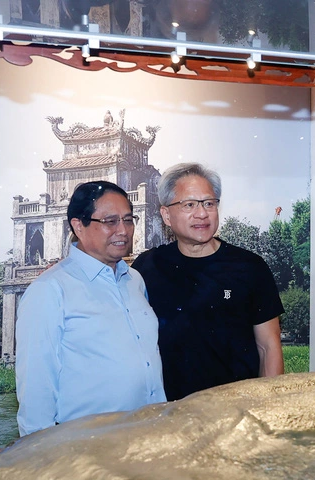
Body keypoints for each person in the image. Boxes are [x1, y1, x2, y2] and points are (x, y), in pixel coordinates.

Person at [15, 181, 165, 435]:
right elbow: (36, 388)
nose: (123, 231)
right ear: (78, 226)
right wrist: (41, 457)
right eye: (110, 221)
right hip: (87, 447)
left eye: (128, 220)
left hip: (149, 435)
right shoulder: (50, 289)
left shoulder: (134, 281)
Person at [132, 163, 284, 401]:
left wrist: (268, 407)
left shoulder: (249, 267)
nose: (202, 213)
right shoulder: (147, 267)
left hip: (236, 411)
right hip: (167, 414)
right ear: (166, 215)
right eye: (189, 204)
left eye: (209, 203)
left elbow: (269, 347)